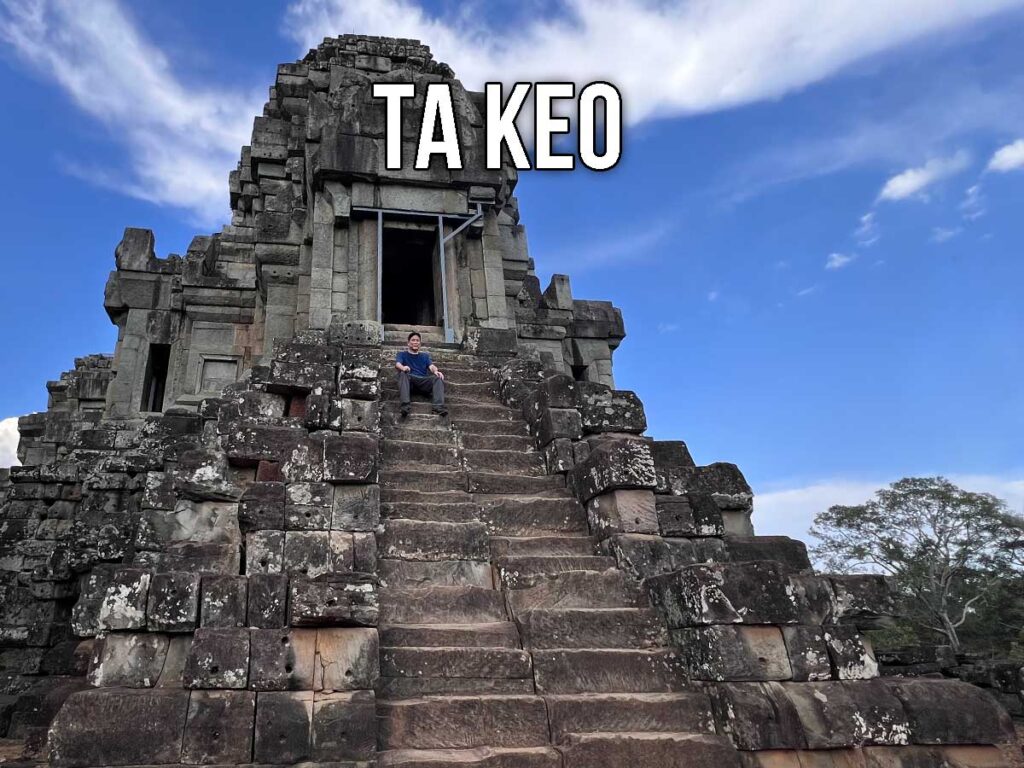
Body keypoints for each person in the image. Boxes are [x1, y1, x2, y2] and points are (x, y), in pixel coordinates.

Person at [395, 332, 447, 417]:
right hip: (410, 381)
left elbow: (431, 366)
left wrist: (436, 371)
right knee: (402, 374)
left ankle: (438, 407)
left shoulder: (425, 356)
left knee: (438, 377)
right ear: (408, 343)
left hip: (423, 382)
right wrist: (403, 368)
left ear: (420, 343)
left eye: (417, 340)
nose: (415, 342)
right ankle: (405, 406)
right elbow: (398, 364)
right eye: (413, 340)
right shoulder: (402, 354)